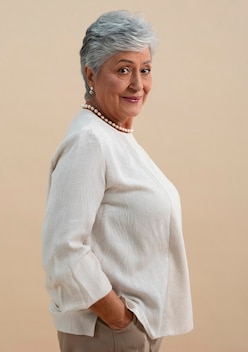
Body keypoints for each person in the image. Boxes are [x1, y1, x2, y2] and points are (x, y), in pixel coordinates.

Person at [41, 10, 193, 352]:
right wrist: (120, 319)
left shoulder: (116, 136)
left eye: (145, 70)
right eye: (123, 70)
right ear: (91, 75)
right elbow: (64, 250)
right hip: (107, 330)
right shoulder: (90, 142)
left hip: (129, 328)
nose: (138, 84)